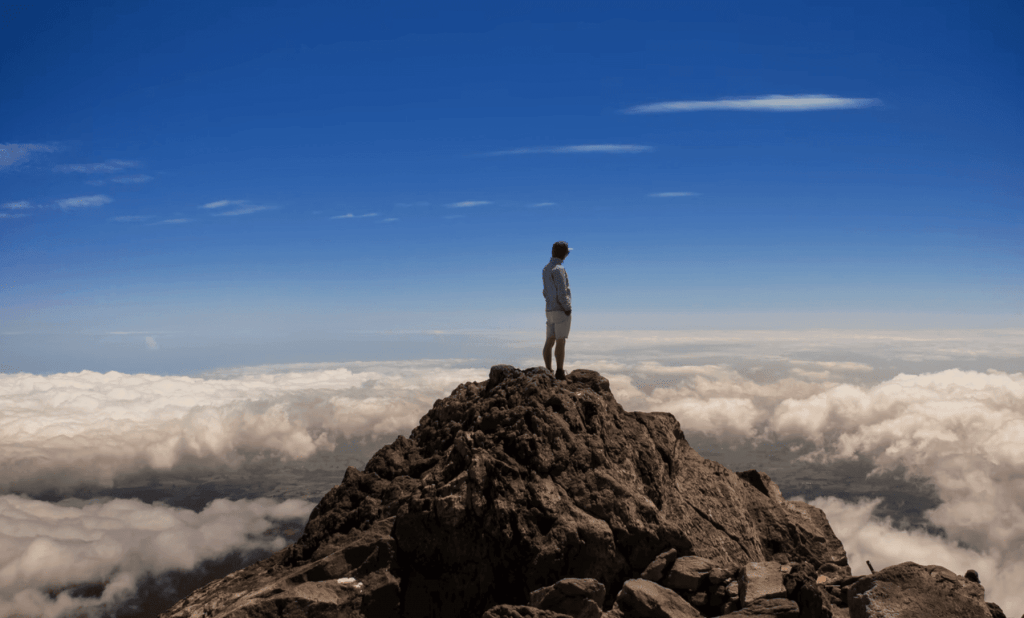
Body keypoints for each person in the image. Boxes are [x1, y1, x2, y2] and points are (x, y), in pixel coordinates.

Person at [542, 241, 572, 379]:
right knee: (561, 340)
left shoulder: (546, 269)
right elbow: (562, 292)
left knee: (549, 340)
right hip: (560, 310)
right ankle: (559, 372)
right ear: (564, 253)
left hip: (549, 309)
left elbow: (545, 291)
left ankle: (548, 371)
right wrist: (567, 308)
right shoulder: (559, 269)